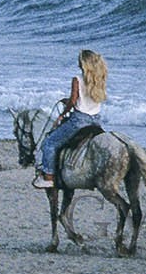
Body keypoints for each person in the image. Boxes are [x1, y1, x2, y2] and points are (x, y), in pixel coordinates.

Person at [35, 49, 107, 188]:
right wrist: (68, 100)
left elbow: (74, 101)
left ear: (84, 63)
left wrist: (63, 113)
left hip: (79, 121)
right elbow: (87, 98)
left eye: (80, 61)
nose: (78, 63)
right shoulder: (100, 78)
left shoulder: (77, 79)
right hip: (96, 120)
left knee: (50, 143)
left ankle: (48, 177)